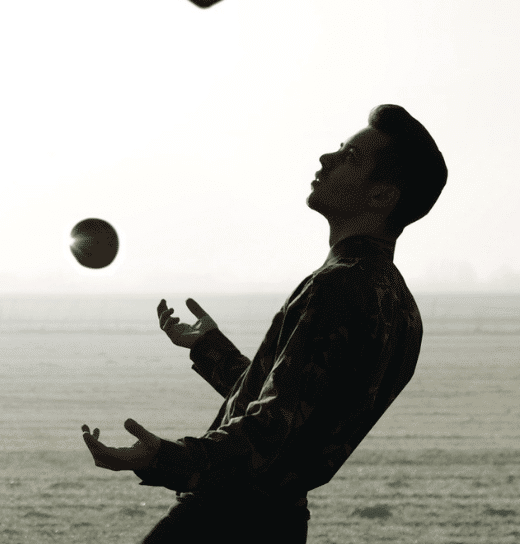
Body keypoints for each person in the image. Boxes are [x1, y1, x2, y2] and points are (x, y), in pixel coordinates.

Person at [78, 104, 444, 543]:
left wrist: (165, 458)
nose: (327, 159)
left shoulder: (339, 286)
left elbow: (271, 429)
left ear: (383, 195)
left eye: (349, 158)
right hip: (282, 525)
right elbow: (298, 402)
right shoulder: (401, 306)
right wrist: (210, 349)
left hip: (228, 519)